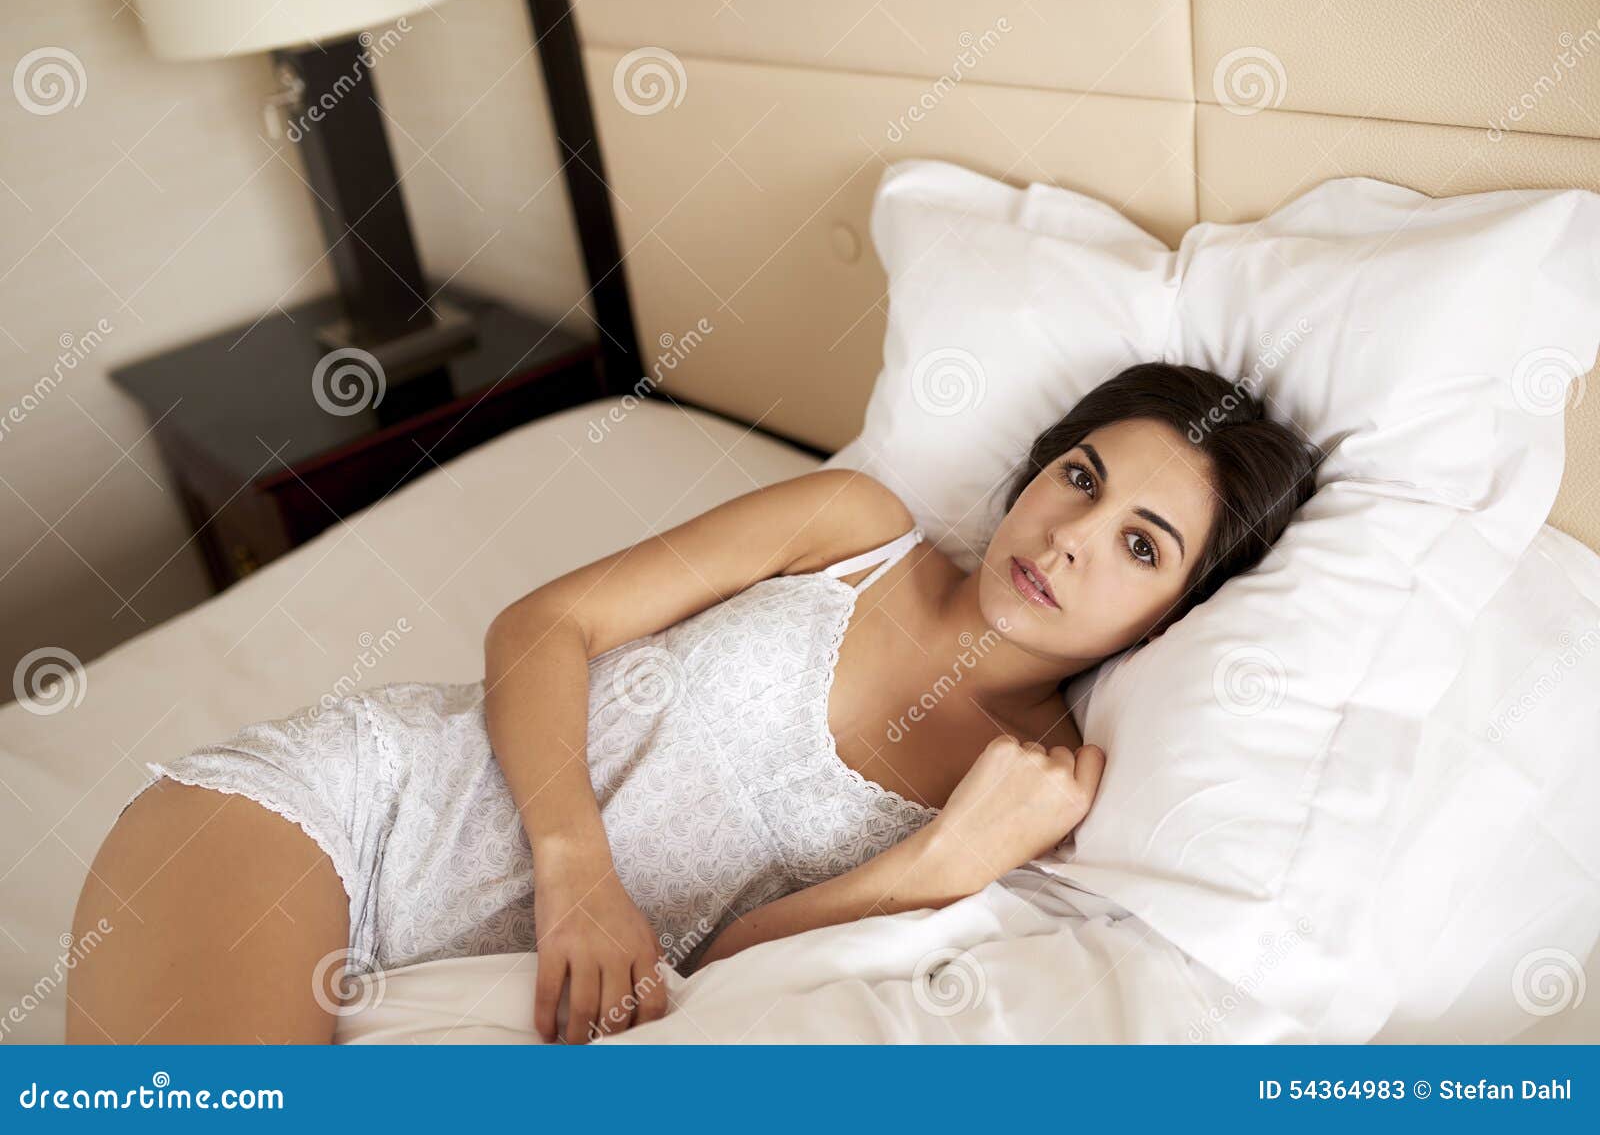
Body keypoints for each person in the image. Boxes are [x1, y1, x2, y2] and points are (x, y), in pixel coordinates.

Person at [67, 361, 1318, 1045]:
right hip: (341, 819)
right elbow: (544, 624)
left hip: (502, 993)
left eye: (1142, 546)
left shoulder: (1042, 789)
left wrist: (940, 862)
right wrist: (576, 868)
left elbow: (721, 973)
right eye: (1079, 476)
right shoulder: (854, 531)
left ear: (1171, 619)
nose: (1072, 535)